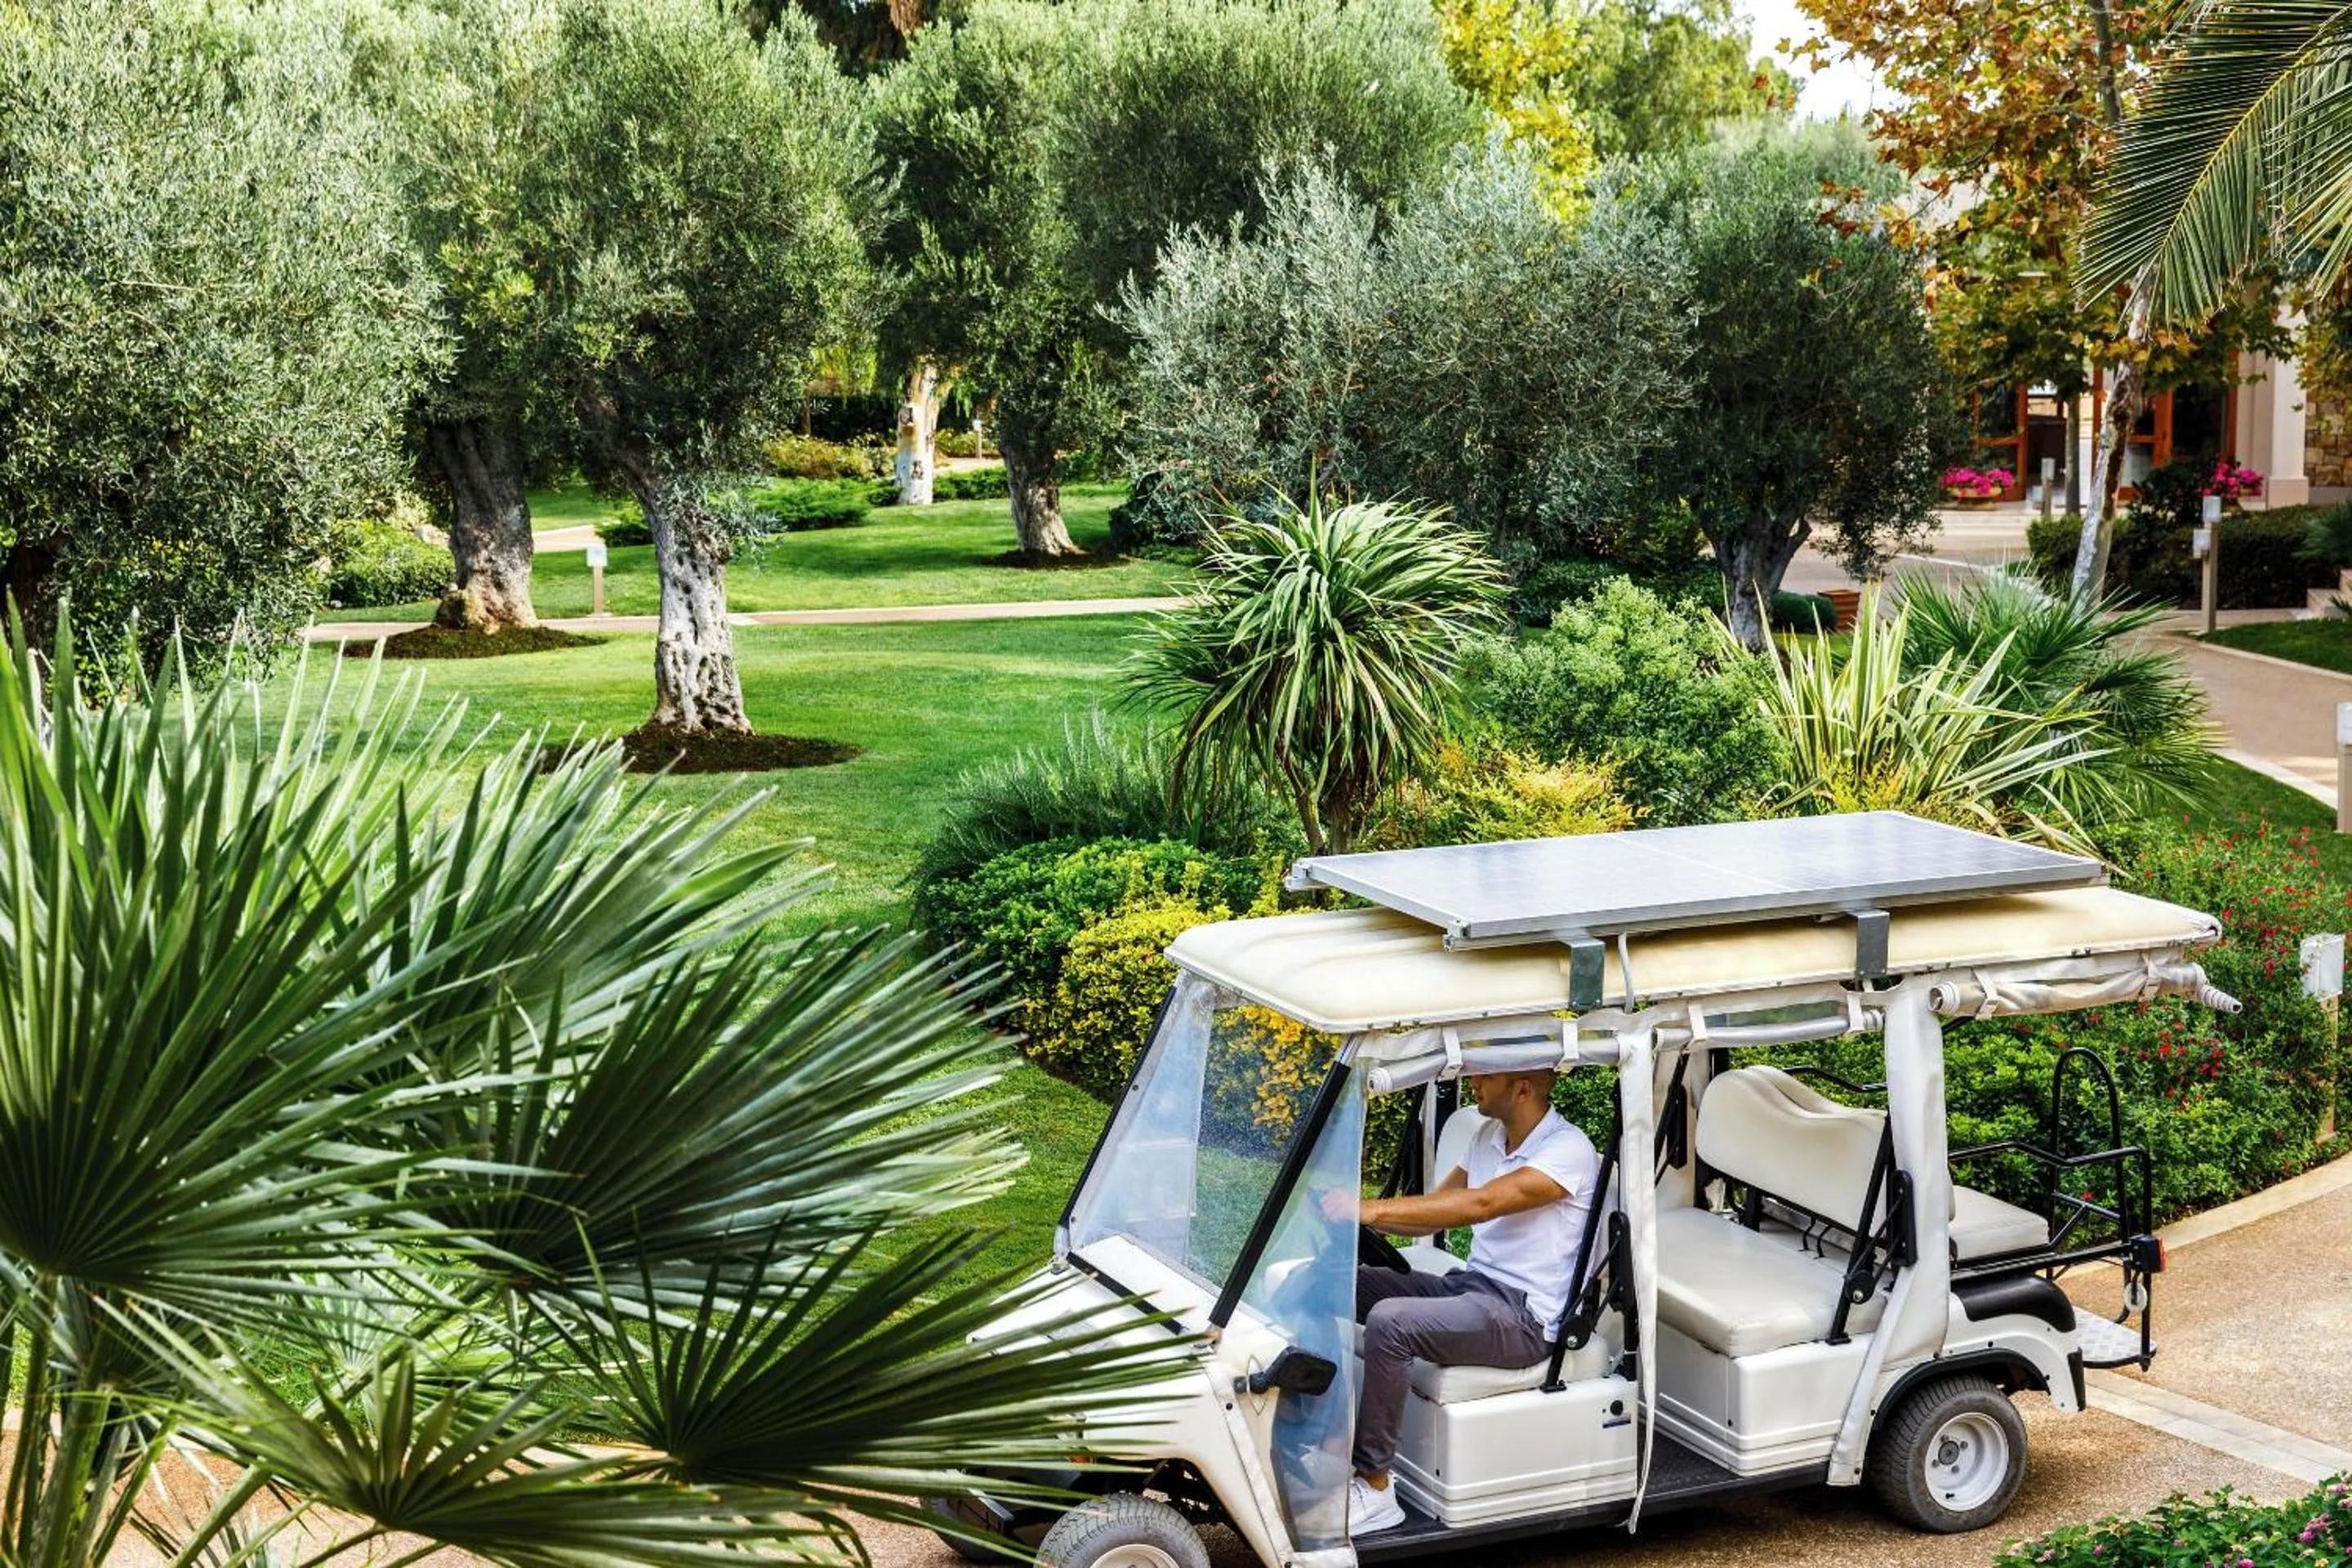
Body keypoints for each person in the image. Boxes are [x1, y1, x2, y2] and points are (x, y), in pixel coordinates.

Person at [1318, 1068, 1599, 1535]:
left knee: (1391, 1321)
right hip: (1472, 1287)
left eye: (1485, 1077)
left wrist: (1369, 1209)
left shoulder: (1568, 1151)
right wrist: (1358, 1219)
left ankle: (1375, 1485)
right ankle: (1318, 1438)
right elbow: (1434, 1212)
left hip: (1524, 1320)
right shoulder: (1489, 1135)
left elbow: (1481, 1205)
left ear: (1523, 1088)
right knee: (1332, 1282)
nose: (1473, 1084)